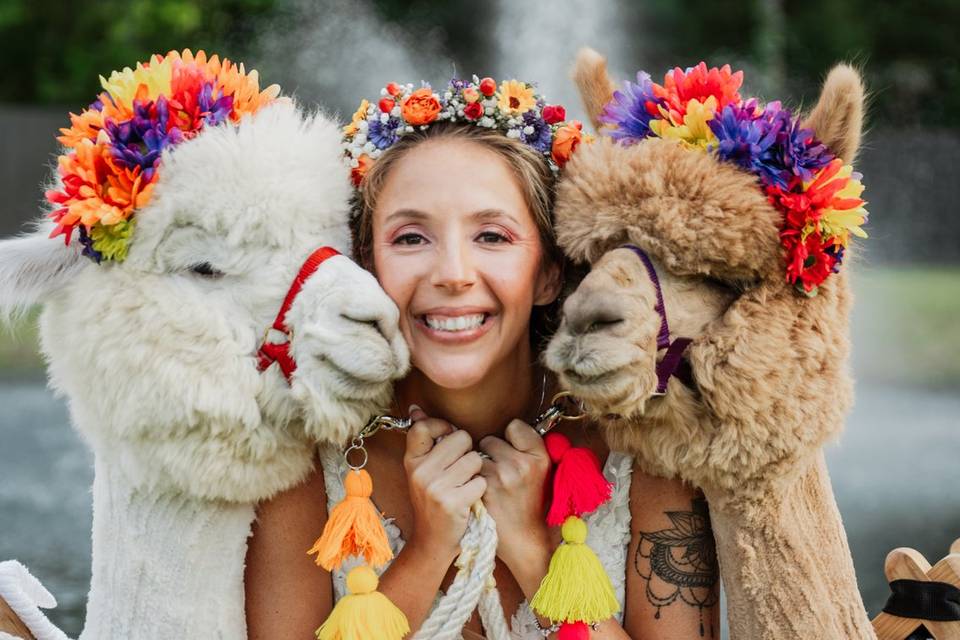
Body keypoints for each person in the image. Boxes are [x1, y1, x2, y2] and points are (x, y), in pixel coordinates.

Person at [244, 77, 720, 639]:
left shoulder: (645, 446)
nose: (451, 273)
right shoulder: (301, 453)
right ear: (366, 267)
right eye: (411, 239)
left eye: (492, 237)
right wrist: (427, 549)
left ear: (549, 271)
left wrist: (534, 549)